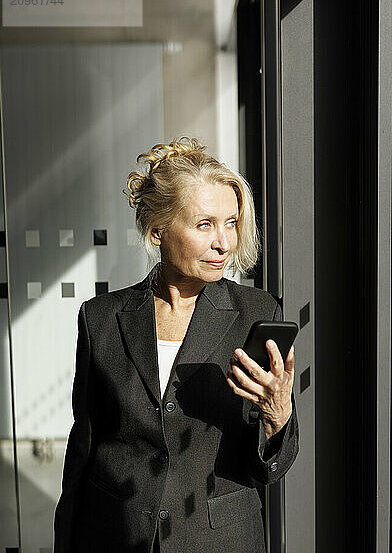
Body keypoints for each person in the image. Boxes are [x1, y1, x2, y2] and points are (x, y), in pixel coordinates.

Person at [53, 137, 298, 553]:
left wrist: (278, 417)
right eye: (205, 224)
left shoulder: (257, 312)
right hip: (116, 532)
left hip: (219, 539)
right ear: (158, 231)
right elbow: (84, 449)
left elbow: (270, 468)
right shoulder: (101, 318)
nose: (224, 242)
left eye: (232, 222)